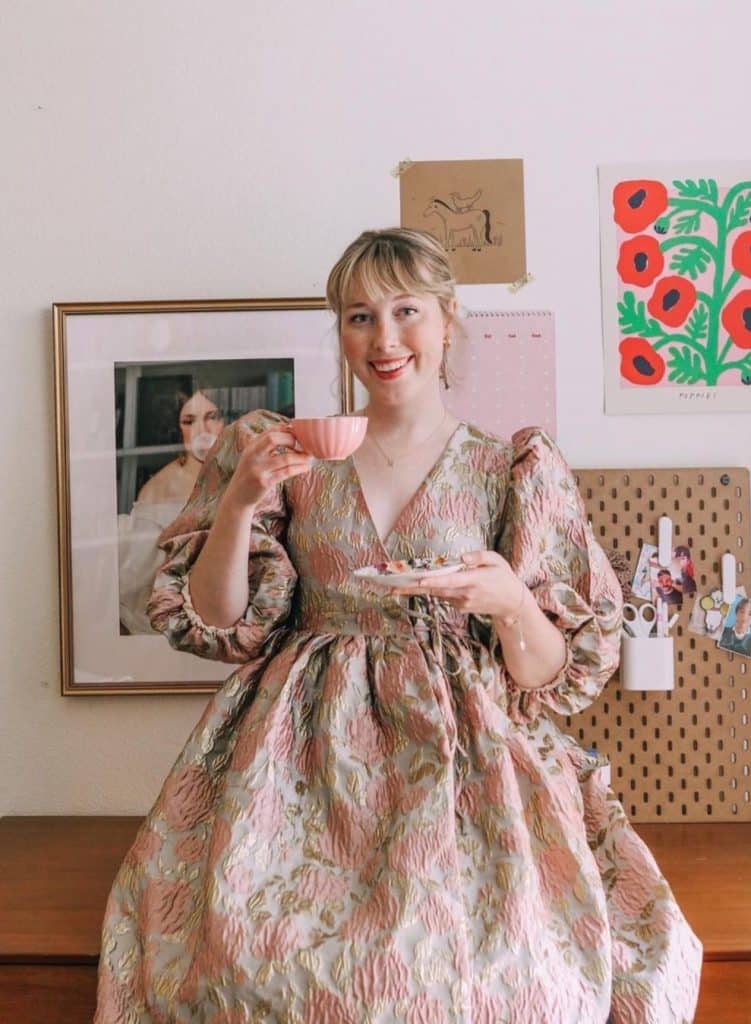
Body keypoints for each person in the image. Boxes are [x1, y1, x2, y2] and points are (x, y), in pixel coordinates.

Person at [95, 228, 702, 1023]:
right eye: (357, 317)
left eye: (405, 311)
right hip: (298, 773)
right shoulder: (288, 459)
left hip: (467, 769)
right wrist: (239, 504)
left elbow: (558, 678)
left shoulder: (509, 467)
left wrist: (512, 601)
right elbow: (220, 628)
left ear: (448, 320)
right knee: (246, 970)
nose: (383, 340)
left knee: (506, 978)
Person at [117, 389, 226, 635]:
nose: (202, 431)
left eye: (212, 417)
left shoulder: (235, 473)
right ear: (179, 429)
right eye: (189, 421)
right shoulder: (158, 489)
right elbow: (141, 586)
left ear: (225, 422)